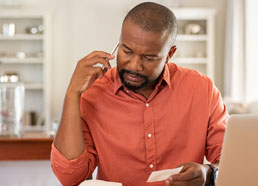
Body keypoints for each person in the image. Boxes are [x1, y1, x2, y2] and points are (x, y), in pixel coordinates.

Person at [51, 2, 228, 186]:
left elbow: (231, 162)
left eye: (149, 58)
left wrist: (208, 172)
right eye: (127, 51)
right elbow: (70, 177)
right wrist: (72, 93)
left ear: (169, 54)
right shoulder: (93, 92)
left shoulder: (202, 90)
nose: (135, 66)